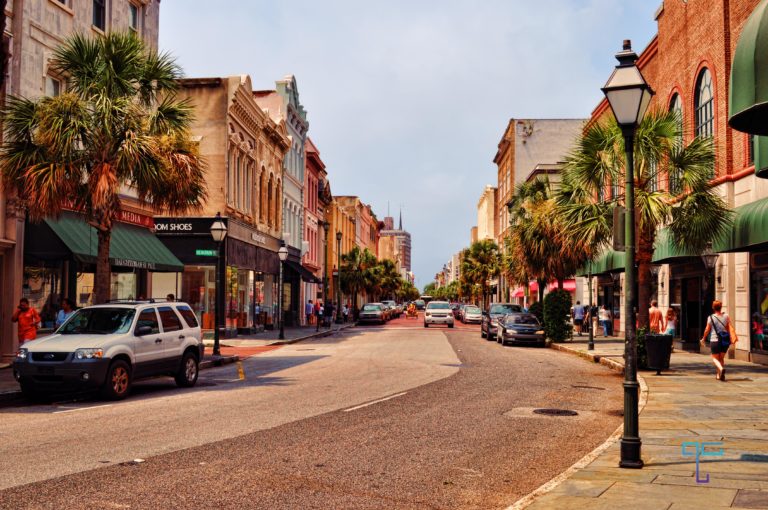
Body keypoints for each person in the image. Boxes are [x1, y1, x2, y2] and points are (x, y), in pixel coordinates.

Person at [700, 300, 738, 381]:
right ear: (721, 307)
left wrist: (703, 338)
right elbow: (729, 327)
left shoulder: (710, 317)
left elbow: (707, 329)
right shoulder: (726, 316)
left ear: (713, 308)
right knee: (721, 358)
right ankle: (718, 375)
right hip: (725, 340)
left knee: (715, 358)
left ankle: (721, 369)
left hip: (715, 340)